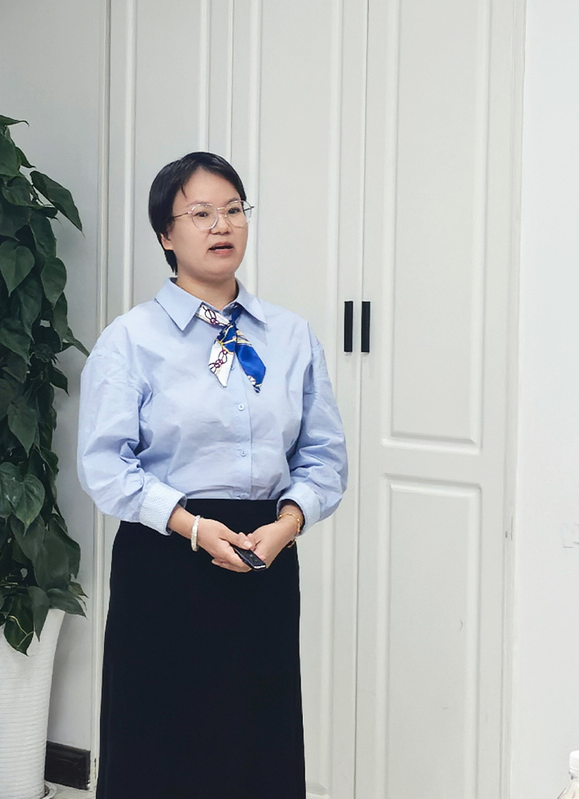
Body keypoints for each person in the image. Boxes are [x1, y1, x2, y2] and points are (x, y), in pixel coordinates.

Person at [77, 152, 348, 798]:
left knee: (257, 746)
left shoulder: (291, 336)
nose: (221, 225)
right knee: (161, 749)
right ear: (166, 235)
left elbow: (324, 456)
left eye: (233, 210)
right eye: (200, 213)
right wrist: (192, 526)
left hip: (264, 557)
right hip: (166, 559)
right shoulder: (130, 340)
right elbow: (104, 464)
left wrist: (288, 523)